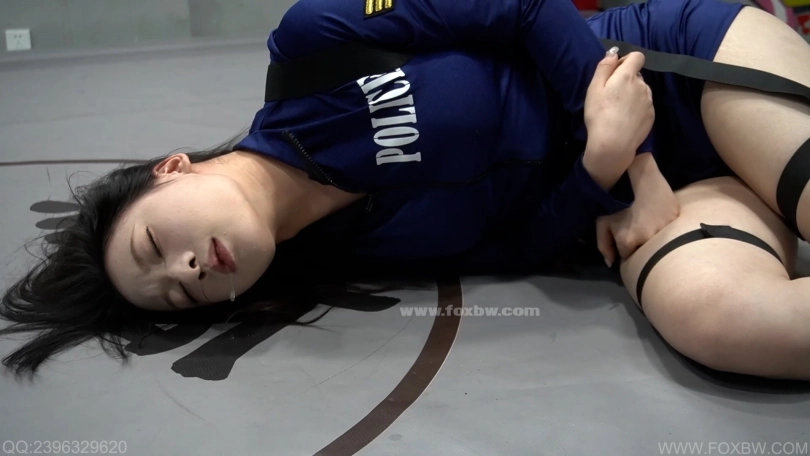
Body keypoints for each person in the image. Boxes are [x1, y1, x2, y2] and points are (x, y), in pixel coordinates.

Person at [2, 0, 809, 381]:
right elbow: (516, 245)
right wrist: (596, 175)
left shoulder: (313, 47)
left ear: (172, 169)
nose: (186, 268)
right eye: (179, 294)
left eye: (154, 243)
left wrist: (635, 164)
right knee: (724, 322)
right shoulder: (359, 254)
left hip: (667, 70)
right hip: (649, 198)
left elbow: (521, 6)